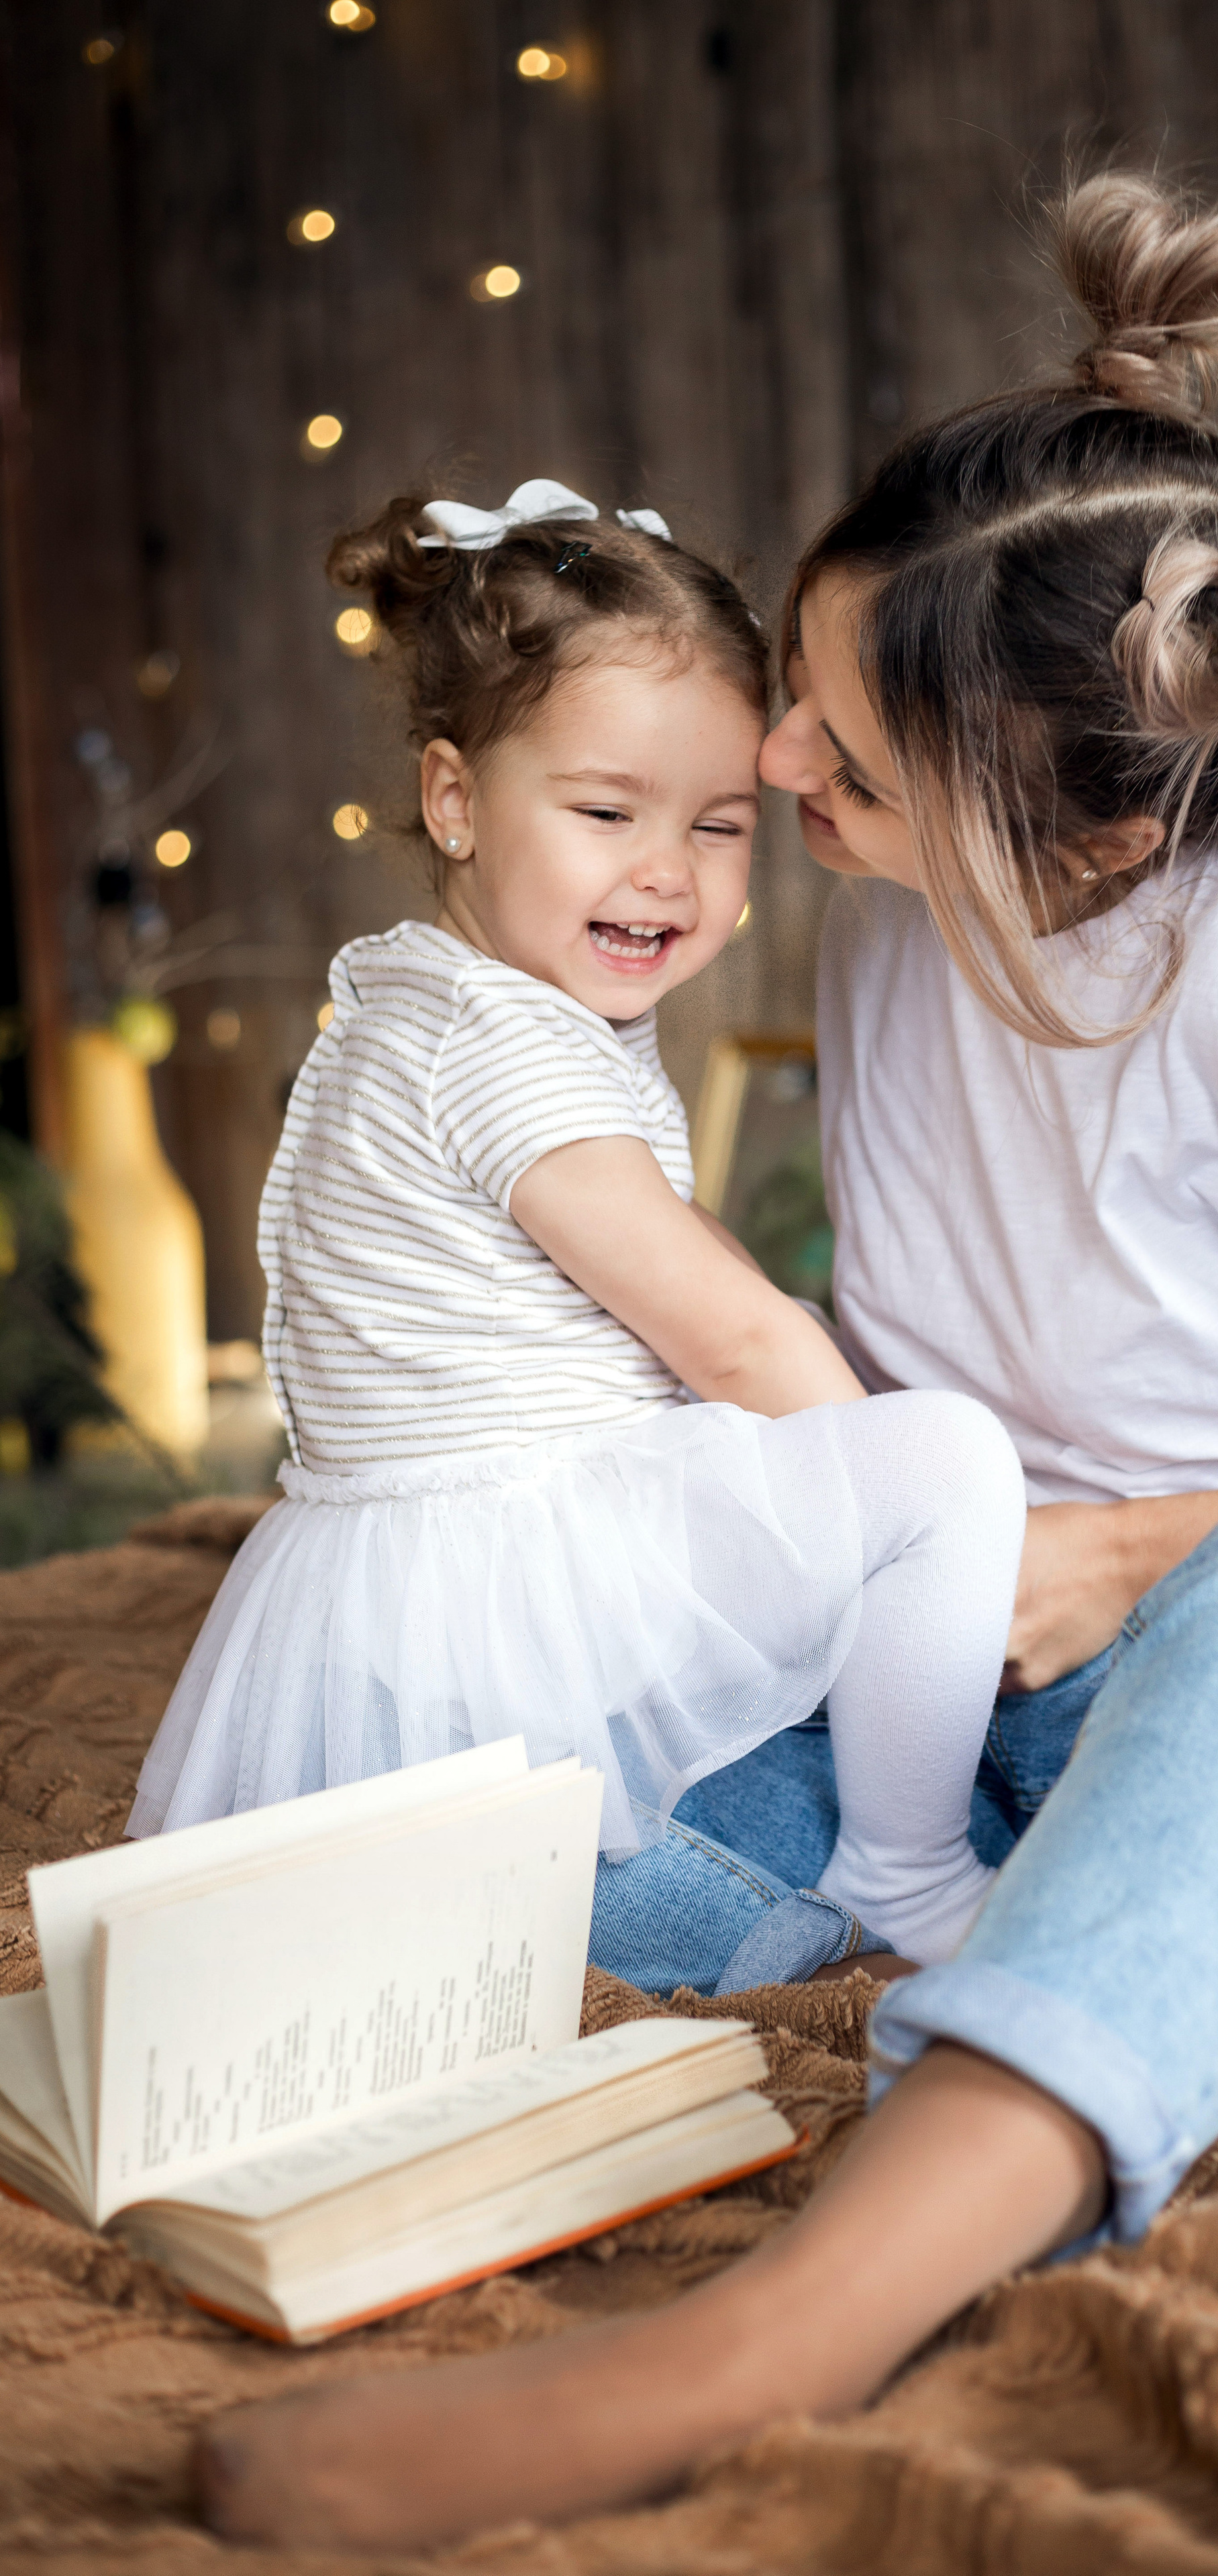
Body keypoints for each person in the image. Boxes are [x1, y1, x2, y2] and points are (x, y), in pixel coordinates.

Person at [197, 179, 1218, 2549]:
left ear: (1074, 820)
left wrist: (1120, 1558)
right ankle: (1180, 1959)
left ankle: (782, 2324)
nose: (776, 766)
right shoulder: (903, 913)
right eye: (795, 685)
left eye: (843, 747)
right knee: (492, 1807)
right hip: (972, 1688)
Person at [125, 476, 1025, 1972]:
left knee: (684, 1833)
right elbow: (732, 1335)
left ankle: (726, 1913)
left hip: (397, 1623)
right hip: (499, 1587)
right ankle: (912, 1869)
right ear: (455, 798)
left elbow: (666, 1257)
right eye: (607, 811)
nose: (666, 870)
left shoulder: (422, 998)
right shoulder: (501, 1046)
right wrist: (874, 1510)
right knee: (945, 1463)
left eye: (720, 825)